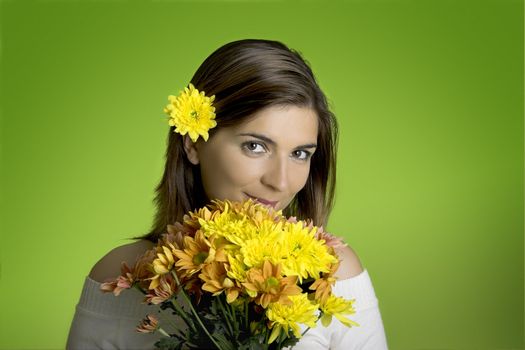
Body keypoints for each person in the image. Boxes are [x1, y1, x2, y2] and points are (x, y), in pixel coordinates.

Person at [67, 39, 388, 349]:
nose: (280, 182)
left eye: (300, 154)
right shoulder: (121, 277)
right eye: (255, 146)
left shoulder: (335, 274)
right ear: (193, 143)